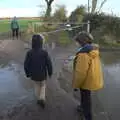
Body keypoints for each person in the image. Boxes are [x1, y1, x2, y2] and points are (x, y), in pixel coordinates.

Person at [72, 32, 103, 120]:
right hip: (92, 78)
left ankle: (88, 117)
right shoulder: (93, 49)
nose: (76, 43)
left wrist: (76, 84)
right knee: (85, 96)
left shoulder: (83, 54)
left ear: (81, 42)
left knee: (86, 99)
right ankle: (82, 107)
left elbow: (81, 73)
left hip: (86, 80)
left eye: (77, 42)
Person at [24, 34, 53, 109]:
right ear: (41, 42)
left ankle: (38, 99)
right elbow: (49, 64)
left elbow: (26, 64)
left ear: (32, 43)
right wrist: (50, 72)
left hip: (33, 74)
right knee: (43, 86)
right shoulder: (44, 52)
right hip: (42, 74)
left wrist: (27, 73)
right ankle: (42, 98)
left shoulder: (29, 53)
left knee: (36, 86)